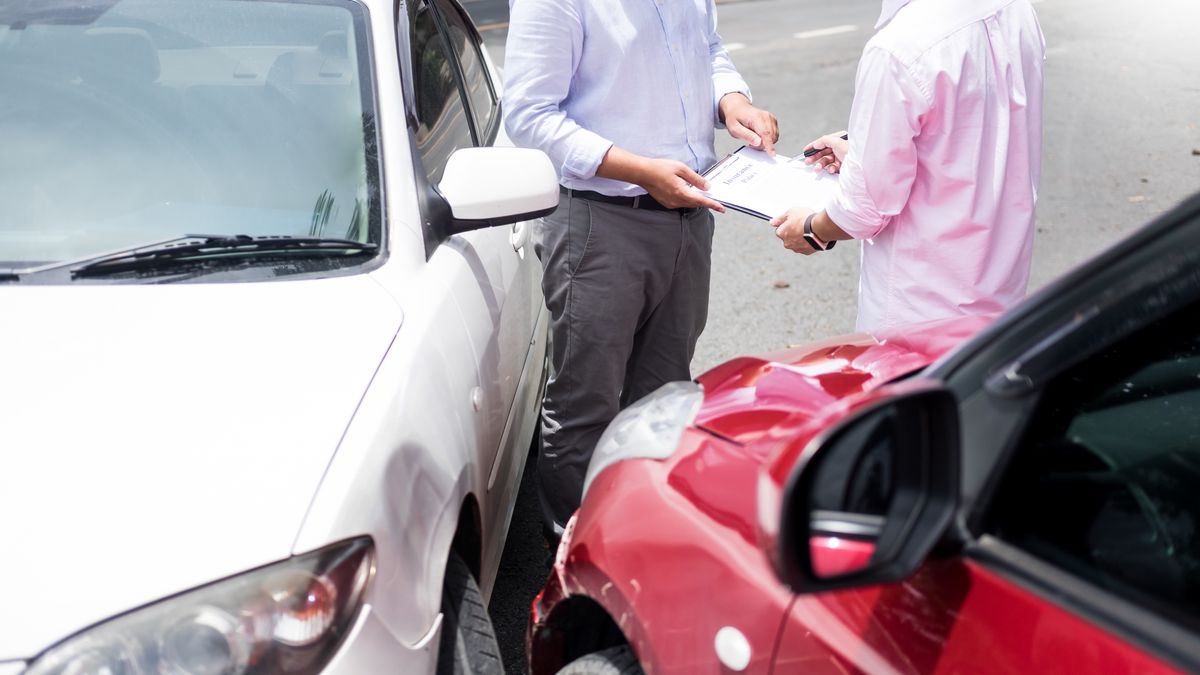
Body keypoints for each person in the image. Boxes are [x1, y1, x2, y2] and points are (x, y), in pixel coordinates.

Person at [503, 0, 778, 541]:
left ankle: (649, 539)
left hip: (690, 212)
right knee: (588, 401)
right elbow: (529, 116)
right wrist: (636, 169)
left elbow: (708, 50)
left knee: (665, 393)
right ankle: (580, 553)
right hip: (599, 221)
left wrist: (732, 101)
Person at [772, 0, 1046, 333]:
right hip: (1001, 296)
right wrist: (868, 151)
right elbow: (972, 132)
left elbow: (864, 209)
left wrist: (811, 230)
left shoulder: (898, 48)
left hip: (919, 312)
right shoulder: (1014, 9)